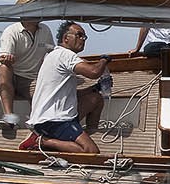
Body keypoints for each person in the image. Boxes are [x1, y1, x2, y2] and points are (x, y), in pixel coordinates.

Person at [21, 21, 111, 154]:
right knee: (91, 151)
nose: (82, 39)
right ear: (65, 38)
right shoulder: (65, 55)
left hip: (51, 117)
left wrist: (95, 88)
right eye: (79, 35)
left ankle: (85, 134)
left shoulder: (53, 55)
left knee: (95, 98)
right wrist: (104, 60)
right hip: (54, 120)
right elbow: (93, 72)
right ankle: (42, 141)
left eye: (84, 37)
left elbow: (69, 94)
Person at [0, 17, 53, 131]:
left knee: (42, 95)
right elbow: (4, 57)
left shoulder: (45, 30)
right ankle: (9, 118)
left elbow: (52, 52)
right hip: (11, 74)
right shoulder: (11, 32)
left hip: (30, 78)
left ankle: (39, 124)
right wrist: (8, 58)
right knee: (4, 67)